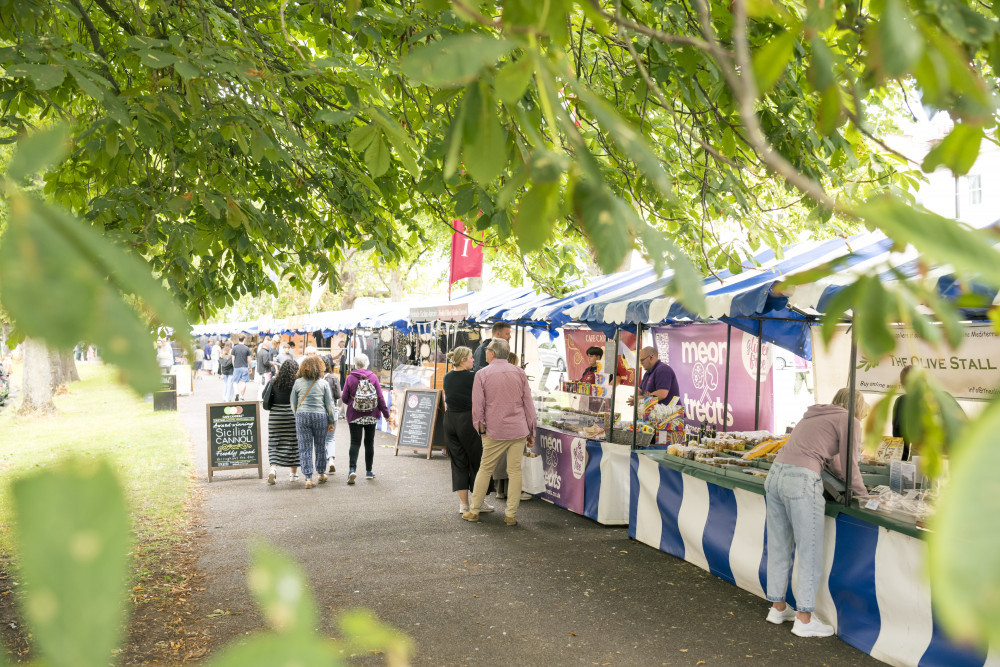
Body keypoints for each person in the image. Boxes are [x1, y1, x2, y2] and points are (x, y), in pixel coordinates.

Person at [764, 388, 869, 638]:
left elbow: (833, 461)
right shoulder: (850, 420)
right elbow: (849, 465)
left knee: (779, 546)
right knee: (809, 550)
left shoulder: (814, 416)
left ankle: (778, 608)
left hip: (775, 475)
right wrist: (864, 496)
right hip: (802, 480)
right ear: (858, 407)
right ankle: (804, 619)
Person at [463, 338, 536, 527]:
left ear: (492, 353)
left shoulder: (482, 374)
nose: (485, 352)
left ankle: (474, 510)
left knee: (485, 468)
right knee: (515, 471)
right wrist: (531, 431)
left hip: (494, 430)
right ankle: (511, 515)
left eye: (487, 350)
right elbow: (528, 403)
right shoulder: (519, 373)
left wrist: (481, 428)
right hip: (518, 429)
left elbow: (478, 406)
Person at [444, 347, 495, 515]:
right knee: (477, 461)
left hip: (450, 420)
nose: (474, 360)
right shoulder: (473, 377)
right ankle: (479, 502)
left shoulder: (447, 377)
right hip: (467, 421)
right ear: (462, 360)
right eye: (471, 358)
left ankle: (464, 504)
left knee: (458, 463)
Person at [341, 353, 389, 485]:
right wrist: (386, 414)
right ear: (367, 363)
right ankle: (368, 471)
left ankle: (352, 470)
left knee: (355, 442)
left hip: (355, 415)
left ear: (356, 364)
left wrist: (353, 401)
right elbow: (380, 398)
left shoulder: (350, 377)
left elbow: (344, 398)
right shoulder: (373, 377)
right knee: (369, 443)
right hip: (371, 415)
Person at [289, 355, 336, 489]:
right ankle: (321, 473)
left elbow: (293, 402)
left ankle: (308, 478)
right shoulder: (323, 383)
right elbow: (329, 405)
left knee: (304, 447)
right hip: (320, 416)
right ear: (319, 368)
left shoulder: (298, 383)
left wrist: (298, 414)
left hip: (302, 416)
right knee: (320, 445)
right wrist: (331, 421)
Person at [263, 358, 301, 484]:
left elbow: (264, 396)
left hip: (276, 416)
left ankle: (273, 469)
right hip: (293, 416)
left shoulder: (274, 381)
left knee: (274, 443)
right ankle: (293, 474)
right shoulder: (298, 383)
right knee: (294, 443)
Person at [323, 357, 342, 474]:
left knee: (320, 439)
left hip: (320, 411)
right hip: (332, 410)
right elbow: (339, 395)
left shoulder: (316, 378)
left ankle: (321, 467)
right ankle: (331, 460)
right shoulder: (333, 377)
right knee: (330, 438)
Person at [231, 334, 251, 401]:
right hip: (244, 367)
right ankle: (241, 396)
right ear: (244, 339)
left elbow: (233, 359)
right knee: (244, 382)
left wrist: (234, 366)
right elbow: (249, 359)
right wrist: (250, 367)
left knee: (235, 382)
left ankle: (236, 392)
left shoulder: (234, 348)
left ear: (238, 339)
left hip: (237, 367)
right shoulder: (247, 348)